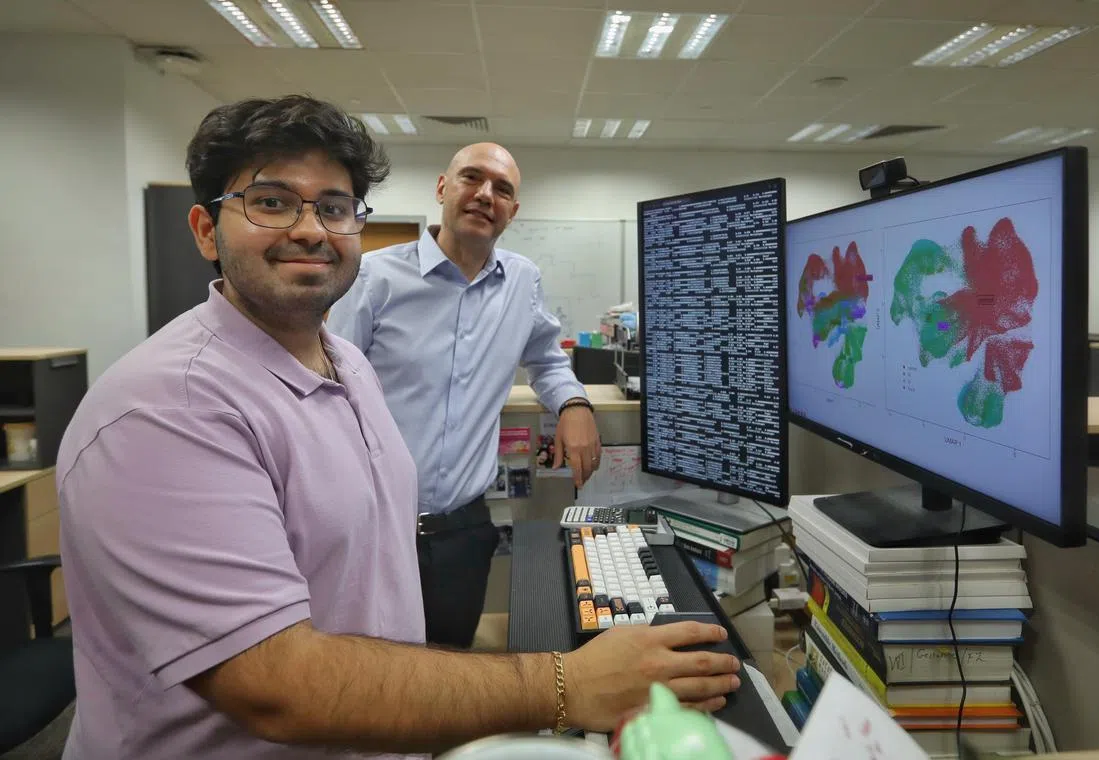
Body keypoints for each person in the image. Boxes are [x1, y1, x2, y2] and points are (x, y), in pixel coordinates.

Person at [55, 95, 740, 760]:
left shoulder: (345, 362)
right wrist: (567, 685)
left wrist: (575, 405)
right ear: (207, 229)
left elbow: (544, 356)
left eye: (333, 207)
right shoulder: (166, 411)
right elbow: (277, 687)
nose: (309, 229)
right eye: (270, 202)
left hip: (451, 543)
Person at [327, 142, 603, 648]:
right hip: (377, 526)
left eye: (502, 189)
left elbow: (545, 360)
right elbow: (331, 387)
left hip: (465, 532)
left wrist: (574, 403)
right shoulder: (374, 276)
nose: (485, 194)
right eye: (471, 178)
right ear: (442, 188)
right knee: (374, 677)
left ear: (513, 212)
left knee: (450, 670)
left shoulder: (522, 281)